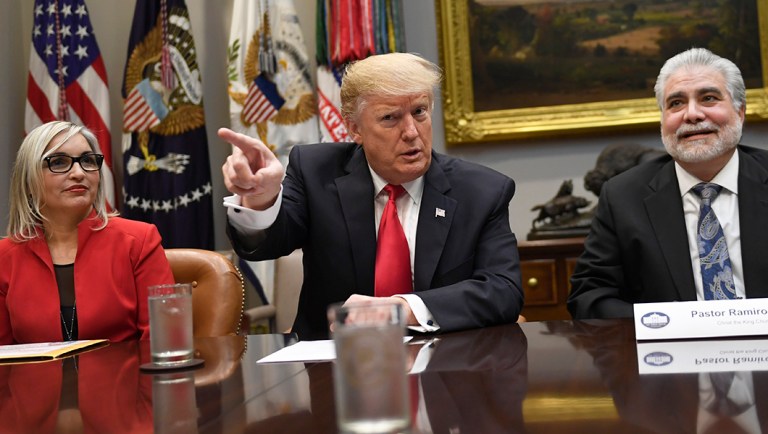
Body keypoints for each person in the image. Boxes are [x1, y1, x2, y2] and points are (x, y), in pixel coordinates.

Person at [220, 52, 523, 340]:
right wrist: (261, 197)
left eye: (419, 112)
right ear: (354, 128)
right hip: (336, 369)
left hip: (446, 368)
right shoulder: (316, 172)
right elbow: (264, 246)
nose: (411, 132)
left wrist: (402, 310)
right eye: (390, 118)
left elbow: (504, 290)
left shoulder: (482, 192)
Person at [568, 48, 768, 319]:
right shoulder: (623, 197)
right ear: (663, 120)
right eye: (676, 103)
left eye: (708, 98)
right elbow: (590, 296)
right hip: (670, 354)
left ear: (740, 112)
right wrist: (665, 326)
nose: (692, 114)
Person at [0, 121, 174, 344]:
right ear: (29, 180)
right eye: (60, 162)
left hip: (124, 378)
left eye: (87, 161)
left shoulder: (139, 241)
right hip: (34, 380)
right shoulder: (5, 258)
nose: (78, 173)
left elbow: (164, 342)